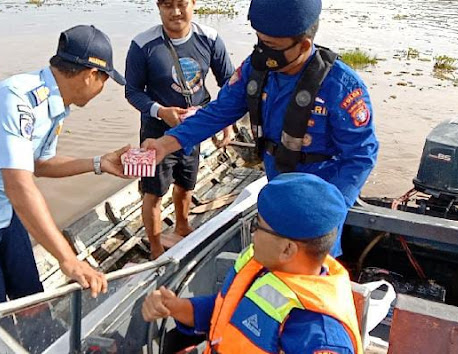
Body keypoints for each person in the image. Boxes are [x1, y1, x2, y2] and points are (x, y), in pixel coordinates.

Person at [141, 0, 379, 257]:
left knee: (311, 277)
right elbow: (219, 111)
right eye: (259, 41)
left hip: (319, 198)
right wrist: (166, 143)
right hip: (276, 189)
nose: (263, 52)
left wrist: (331, 208)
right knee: (268, 266)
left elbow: (360, 156)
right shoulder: (256, 71)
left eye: (272, 46)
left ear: (304, 45)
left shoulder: (340, 87)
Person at [0, 25, 129, 307]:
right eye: (105, 80)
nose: (102, 88)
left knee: (31, 299)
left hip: (2, 209)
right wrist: (68, 259)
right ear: (90, 76)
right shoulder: (17, 100)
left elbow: (39, 163)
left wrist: (99, 163)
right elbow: (19, 185)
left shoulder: (56, 104)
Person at [142, 173, 364, 354]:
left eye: (258, 227)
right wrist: (177, 308)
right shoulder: (262, 264)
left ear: (287, 249)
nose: (253, 234)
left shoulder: (320, 337)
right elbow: (231, 308)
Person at [125, 0, 235, 259]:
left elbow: (230, 84)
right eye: (167, 5)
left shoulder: (210, 38)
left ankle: (183, 227)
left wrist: (226, 122)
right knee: (153, 192)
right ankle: (154, 248)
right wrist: (161, 111)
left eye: (181, 4)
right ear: (158, 7)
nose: (175, 12)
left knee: (187, 184)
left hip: (194, 128)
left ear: (193, 3)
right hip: (156, 132)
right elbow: (132, 92)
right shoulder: (142, 45)